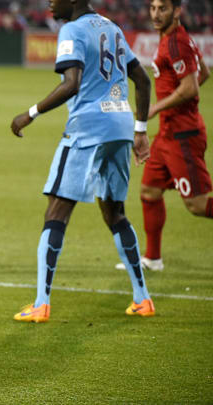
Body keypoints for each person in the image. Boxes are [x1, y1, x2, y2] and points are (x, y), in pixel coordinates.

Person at [9, 0, 155, 322]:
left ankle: (41, 304)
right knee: (114, 211)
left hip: (88, 128)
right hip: (120, 126)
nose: (50, 2)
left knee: (57, 209)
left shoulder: (72, 30)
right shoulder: (112, 28)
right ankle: (142, 298)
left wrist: (30, 114)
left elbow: (71, 84)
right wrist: (141, 131)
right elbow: (143, 81)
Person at [115, 0, 211, 272]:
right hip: (168, 134)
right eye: (153, 8)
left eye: (163, 8)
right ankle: (153, 258)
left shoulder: (175, 43)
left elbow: (191, 87)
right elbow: (203, 73)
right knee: (149, 191)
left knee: (197, 205)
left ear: (177, 11)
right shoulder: (174, 38)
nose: (156, 14)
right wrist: (178, 99)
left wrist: (157, 106)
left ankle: (153, 258)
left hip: (183, 135)